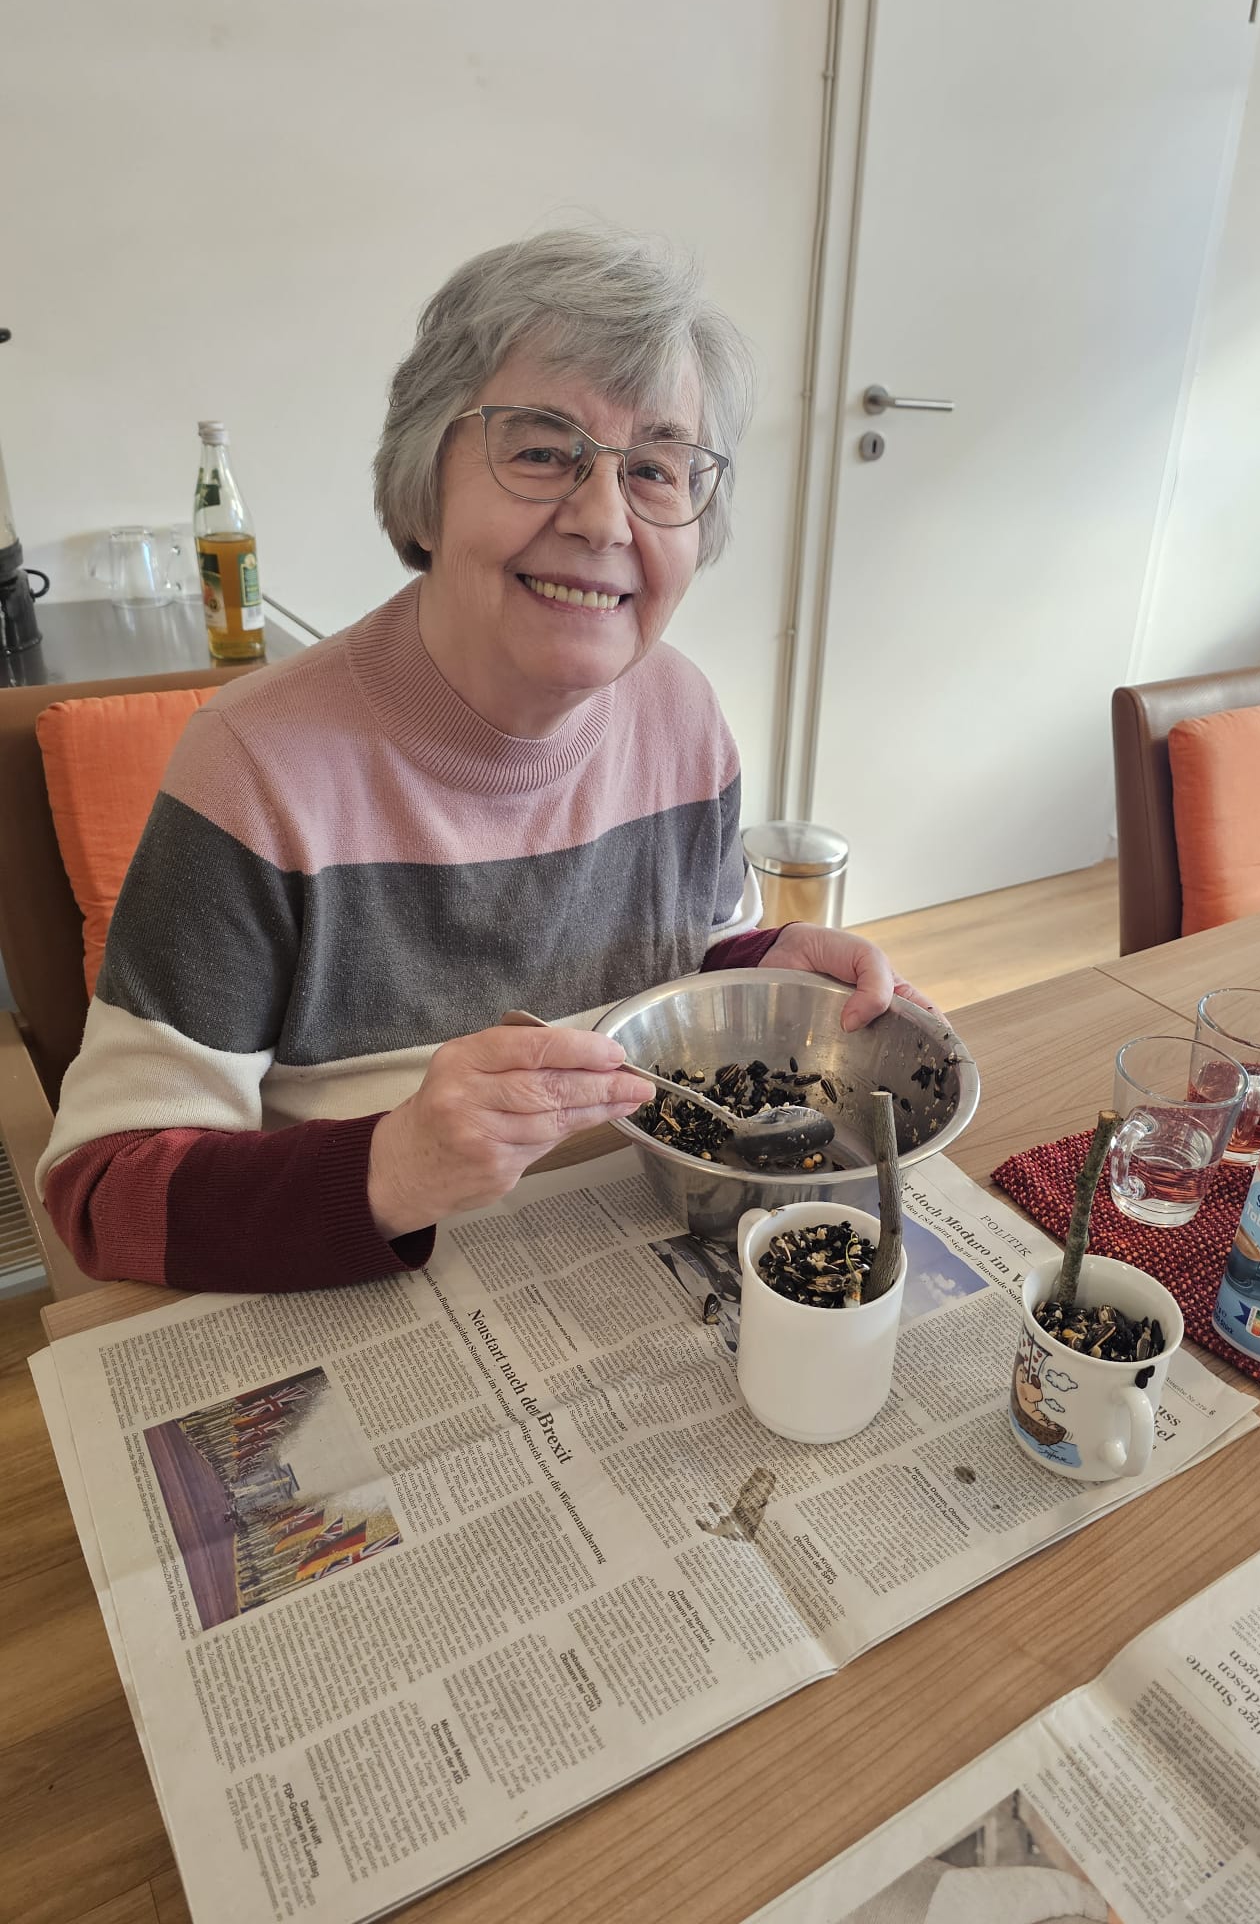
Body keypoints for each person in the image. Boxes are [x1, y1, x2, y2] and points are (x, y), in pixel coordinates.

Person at [40, 227, 929, 1294]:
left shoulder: (683, 714)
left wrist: (769, 963)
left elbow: (683, 969)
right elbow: (102, 1194)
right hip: (351, 1295)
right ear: (426, 485)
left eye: (655, 469)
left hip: (633, 1262)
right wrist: (393, 1165)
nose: (603, 519)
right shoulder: (254, 769)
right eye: (543, 451)